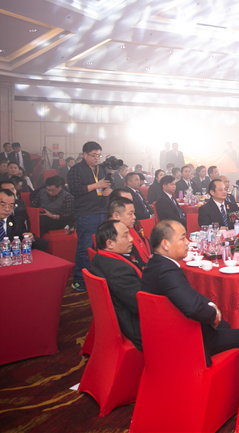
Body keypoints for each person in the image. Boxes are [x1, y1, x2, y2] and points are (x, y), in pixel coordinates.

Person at [142, 220, 239, 365]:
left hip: (168, 331)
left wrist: (210, 306)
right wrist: (213, 315)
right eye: (182, 238)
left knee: (224, 326)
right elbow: (193, 307)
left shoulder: (156, 263)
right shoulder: (167, 271)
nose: (187, 242)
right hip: (184, 338)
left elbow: (189, 293)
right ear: (165, 244)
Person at [89, 219, 143, 350]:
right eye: (125, 236)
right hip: (134, 326)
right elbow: (140, 304)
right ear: (110, 244)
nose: (131, 239)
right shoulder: (118, 269)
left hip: (119, 316)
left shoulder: (99, 258)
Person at [67, 141, 112, 292]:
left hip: (103, 211)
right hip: (87, 213)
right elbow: (75, 190)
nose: (97, 158)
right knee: (85, 248)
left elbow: (109, 185)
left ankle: (98, 277)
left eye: (99, 155)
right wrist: (97, 185)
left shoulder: (102, 169)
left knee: (102, 247)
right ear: (84, 154)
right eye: (94, 155)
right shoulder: (76, 169)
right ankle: (80, 280)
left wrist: (108, 190)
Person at [0, 189, 38, 260]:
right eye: (3, 205)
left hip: (10, 261)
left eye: (11, 206)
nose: (7, 209)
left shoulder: (17, 221)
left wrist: (31, 239)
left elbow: (26, 241)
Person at [108, 197, 152, 269]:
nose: (134, 217)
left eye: (134, 214)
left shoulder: (131, 228)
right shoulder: (113, 236)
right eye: (130, 214)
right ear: (116, 216)